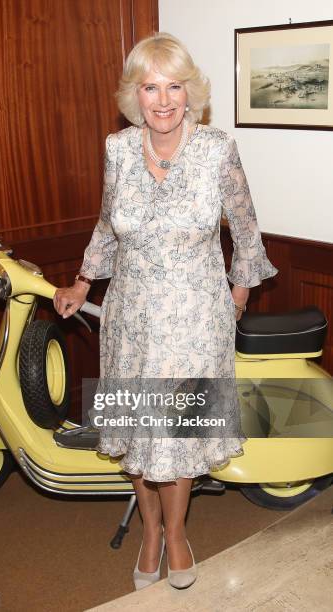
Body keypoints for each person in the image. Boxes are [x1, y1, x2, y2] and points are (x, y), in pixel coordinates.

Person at [53, 32, 278, 591]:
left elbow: (246, 232)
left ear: (190, 91)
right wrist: (84, 281)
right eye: (150, 87)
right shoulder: (118, 149)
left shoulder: (216, 149)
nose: (162, 99)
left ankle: (175, 533)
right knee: (137, 429)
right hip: (130, 316)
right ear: (134, 94)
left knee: (176, 435)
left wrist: (240, 295)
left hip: (196, 318)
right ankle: (148, 531)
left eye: (174, 85)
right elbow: (108, 225)